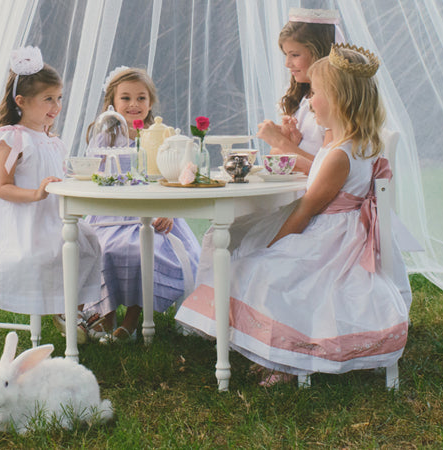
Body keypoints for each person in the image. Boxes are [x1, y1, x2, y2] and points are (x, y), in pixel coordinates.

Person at [174, 44, 412, 386]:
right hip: (340, 235)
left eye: (315, 93)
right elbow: (322, 175)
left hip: (331, 245)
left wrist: (277, 242)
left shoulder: (340, 154)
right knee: (258, 261)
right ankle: (277, 354)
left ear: (339, 99)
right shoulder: (352, 145)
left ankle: (287, 360)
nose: (309, 100)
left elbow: (306, 208)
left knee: (262, 269)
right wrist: (293, 146)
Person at [0, 47, 102, 322]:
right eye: (48, 99)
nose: (56, 106)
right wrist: (37, 193)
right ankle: (66, 310)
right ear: (22, 101)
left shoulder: (52, 141)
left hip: (50, 219)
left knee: (89, 243)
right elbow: (2, 187)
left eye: (59, 98)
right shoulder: (14, 139)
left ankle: (71, 310)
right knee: (55, 250)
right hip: (18, 225)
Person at [80, 67, 202, 342]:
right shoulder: (106, 137)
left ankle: (132, 320)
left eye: (141, 98)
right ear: (112, 102)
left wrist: (168, 211)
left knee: (144, 250)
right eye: (126, 98)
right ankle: (106, 314)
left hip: (153, 213)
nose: (134, 105)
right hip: (113, 214)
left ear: (150, 102)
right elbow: (95, 177)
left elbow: (173, 178)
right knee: (106, 250)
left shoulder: (160, 136)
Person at [256, 8, 340, 175]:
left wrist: (281, 143)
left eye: (294, 55)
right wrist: (290, 142)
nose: (287, 63)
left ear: (318, 53)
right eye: (286, 55)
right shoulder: (303, 98)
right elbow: (280, 156)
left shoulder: (333, 103)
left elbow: (331, 173)